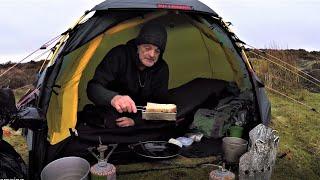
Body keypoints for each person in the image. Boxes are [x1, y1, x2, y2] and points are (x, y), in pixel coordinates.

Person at [87, 22, 169, 128]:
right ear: (138, 46)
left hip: (143, 115)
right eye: (147, 48)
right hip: (113, 111)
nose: (152, 55)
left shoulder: (161, 68)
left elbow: (161, 107)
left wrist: (136, 121)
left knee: (171, 113)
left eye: (157, 51)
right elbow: (92, 89)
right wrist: (113, 98)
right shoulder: (119, 55)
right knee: (109, 121)